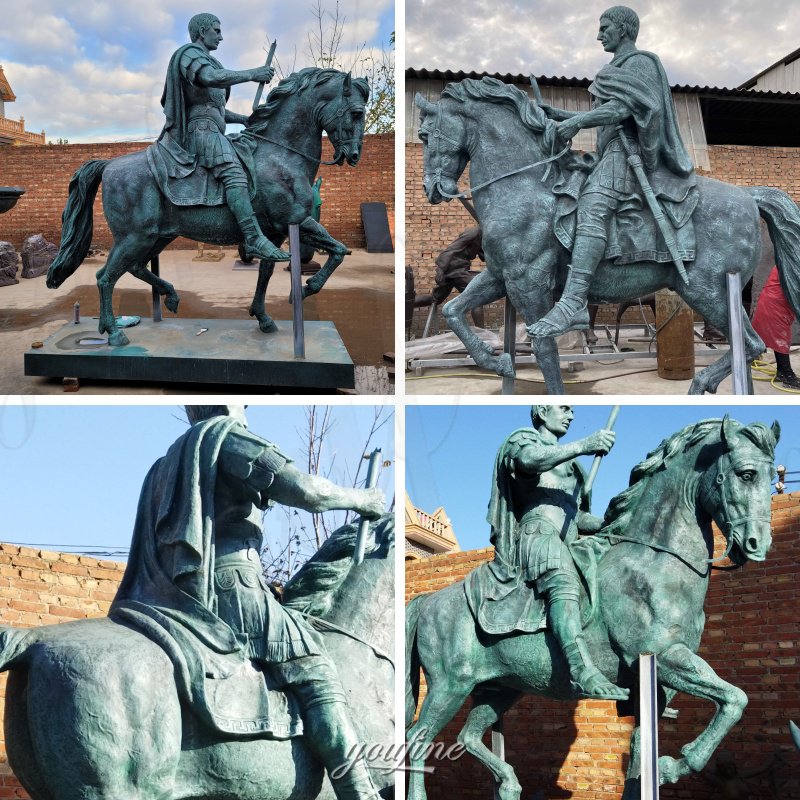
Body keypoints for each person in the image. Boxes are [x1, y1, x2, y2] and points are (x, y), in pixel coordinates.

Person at [111, 406, 385, 800]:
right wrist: (362, 499)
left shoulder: (163, 465)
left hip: (177, 594)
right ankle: (358, 788)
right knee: (316, 667)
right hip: (233, 590)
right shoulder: (229, 438)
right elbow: (307, 490)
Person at [529, 6, 696, 338]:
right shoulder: (614, 69)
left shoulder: (641, 63)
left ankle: (574, 302)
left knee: (592, 204)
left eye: (605, 27)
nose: (599, 34)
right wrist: (560, 114)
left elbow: (622, 110)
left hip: (627, 154)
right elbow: (608, 111)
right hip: (608, 153)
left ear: (623, 29)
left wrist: (575, 122)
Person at [487, 405, 628, 700]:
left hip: (569, 540)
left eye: (573, 410)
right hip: (537, 534)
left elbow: (576, 518)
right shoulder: (524, 440)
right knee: (564, 582)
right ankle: (581, 671)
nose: (571, 415)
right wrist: (583, 445)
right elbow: (529, 461)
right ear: (541, 410)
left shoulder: (575, 468)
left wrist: (610, 522)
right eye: (563, 408)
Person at [156, 13, 289, 263]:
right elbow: (211, 79)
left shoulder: (211, 61)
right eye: (216, 31)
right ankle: (253, 237)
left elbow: (217, 110)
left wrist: (243, 119)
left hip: (215, 129)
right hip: (200, 132)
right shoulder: (190, 55)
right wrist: (253, 74)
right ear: (202, 30)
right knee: (234, 172)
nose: (221, 36)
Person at [752, 266, 800, 388]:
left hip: (775, 302)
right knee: (781, 340)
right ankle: (788, 377)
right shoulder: (790, 262)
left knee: (780, 340)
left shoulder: (786, 259)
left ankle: (782, 373)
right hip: (775, 304)